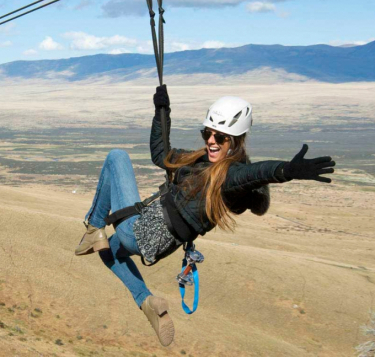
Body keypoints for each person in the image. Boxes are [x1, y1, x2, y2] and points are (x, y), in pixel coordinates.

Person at [74, 85, 335, 346]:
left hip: (138, 233)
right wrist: (161, 112)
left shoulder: (230, 177)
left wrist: (287, 170)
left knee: (116, 157)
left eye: (220, 137)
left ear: (236, 141)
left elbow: (258, 172)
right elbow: (161, 155)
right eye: (207, 133)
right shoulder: (201, 161)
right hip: (157, 245)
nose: (211, 141)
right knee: (108, 250)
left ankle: (93, 227)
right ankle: (145, 300)